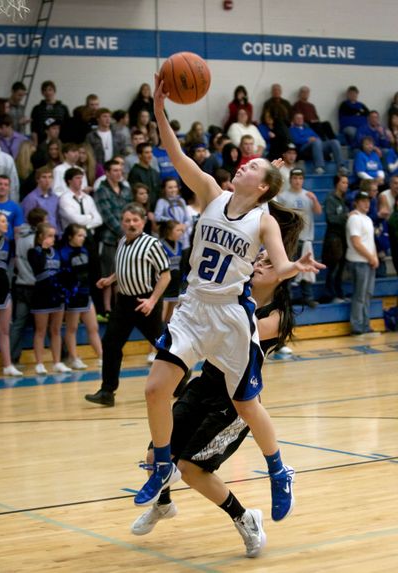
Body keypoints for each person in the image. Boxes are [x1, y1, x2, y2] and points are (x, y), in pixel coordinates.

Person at [134, 74, 323, 508]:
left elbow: (279, 264)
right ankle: (163, 463)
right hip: (194, 308)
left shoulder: (264, 221)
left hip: (232, 318)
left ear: (260, 188)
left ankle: (279, 468)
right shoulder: (210, 193)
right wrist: (161, 110)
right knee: (154, 389)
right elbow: (175, 153)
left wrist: (294, 266)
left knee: (246, 405)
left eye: (253, 166)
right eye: (246, 161)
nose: (244, 163)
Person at [131, 234, 301, 557]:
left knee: (191, 468)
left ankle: (246, 518)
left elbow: (236, 328)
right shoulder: (235, 293)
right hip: (205, 384)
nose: (259, 265)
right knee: (156, 456)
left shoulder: (277, 317)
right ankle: (163, 504)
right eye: (258, 260)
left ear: (283, 275)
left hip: (235, 402)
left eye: (269, 262)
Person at [84, 203, 170, 406]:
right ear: (122, 223)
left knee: (162, 344)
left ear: (143, 222)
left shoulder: (152, 244)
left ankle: (181, 379)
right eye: (127, 220)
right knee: (111, 343)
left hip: (145, 301)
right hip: (123, 302)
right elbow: (126, 267)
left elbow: (165, 275)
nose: (131, 224)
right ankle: (107, 391)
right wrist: (110, 279)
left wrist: (152, 300)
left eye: (135, 220)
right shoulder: (122, 241)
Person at [27, 222, 71, 374]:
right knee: (40, 331)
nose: (53, 239)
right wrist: (44, 250)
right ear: (40, 237)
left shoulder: (57, 252)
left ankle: (57, 362)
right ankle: (39, 363)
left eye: (54, 236)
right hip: (41, 295)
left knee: (56, 330)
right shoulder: (33, 252)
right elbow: (38, 267)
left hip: (57, 294)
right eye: (50, 236)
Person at [278, 168, 322, 308]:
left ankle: (307, 297)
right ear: (290, 179)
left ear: (303, 180)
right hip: (290, 239)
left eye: (300, 178)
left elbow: (318, 212)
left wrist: (314, 200)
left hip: (306, 238)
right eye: (295, 178)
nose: (297, 181)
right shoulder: (283, 196)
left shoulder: (308, 195)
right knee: (289, 269)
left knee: (307, 268)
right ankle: (287, 299)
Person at [60, 224, 102, 369]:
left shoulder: (85, 250)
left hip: (86, 293)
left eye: (84, 236)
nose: (83, 238)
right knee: (72, 328)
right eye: (79, 235)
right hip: (72, 296)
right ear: (70, 236)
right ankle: (73, 358)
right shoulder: (64, 253)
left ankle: (102, 356)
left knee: (93, 327)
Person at [94, 159, 132, 318]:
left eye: (120, 170)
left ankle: (120, 308)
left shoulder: (125, 189)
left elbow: (130, 210)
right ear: (107, 173)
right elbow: (107, 216)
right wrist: (124, 232)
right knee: (107, 272)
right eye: (115, 170)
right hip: (109, 238)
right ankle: (107, 309)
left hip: (126, 237)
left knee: (122, 273)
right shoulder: (102, 191)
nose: (119, 173)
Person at [10, 207, 48, 366]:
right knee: (48, 322)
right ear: (40, 223)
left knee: (19, 323)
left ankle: (11, 358)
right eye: (46, 221)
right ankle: (64, 355)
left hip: (20, 283)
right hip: (34, 285)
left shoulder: (19, 235)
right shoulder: (35, 240)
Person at [345, 191, 379, 336]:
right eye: (363, 201)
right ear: (356, 202)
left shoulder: (368, 219)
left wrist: (375, 257)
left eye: (368, 201)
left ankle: (365, 324)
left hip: (368, 261)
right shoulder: (354, 219)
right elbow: (356, 243)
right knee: (360, 295)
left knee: (367, 294)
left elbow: (370, 242)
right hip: (359, 262)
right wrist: (371, 257)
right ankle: (357, 325)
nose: (367, 203)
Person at [0, 212, 23, 377]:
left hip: (3, 288)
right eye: (2, 221)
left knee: (4, 330)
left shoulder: (8, 243)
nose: (6, 224)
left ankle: (7, 365)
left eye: (6, 221)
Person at [322, 174, 349, 303]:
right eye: (343, 182)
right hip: (333, 238)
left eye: (347, 183)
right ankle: (330, 295)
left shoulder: (343, 199)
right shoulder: (330, 199)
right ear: (337, 183)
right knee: (334, 267)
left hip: (343, 237)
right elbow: (330, 219)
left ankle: (339, 293)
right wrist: (346, 216)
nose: (346, 185)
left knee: (341, 268)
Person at [158, 220, 184, 324]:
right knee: (160, 319)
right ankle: (157, 339)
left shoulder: (180, 245)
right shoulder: (159, 244)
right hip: (164, 284)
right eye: (178, 230)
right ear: (169, 231)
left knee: (171, 320)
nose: (181, 232)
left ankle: (168, 339)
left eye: (181, 230)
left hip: (176, 284)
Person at [22, 166, 61, 232]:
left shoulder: (55, 198)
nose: (47, 180)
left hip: (54, 234)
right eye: (44, 177)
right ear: (37, 180)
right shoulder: (31, 198)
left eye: (50, 177)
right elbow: (27, 220)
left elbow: (57, 219)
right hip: (40, 234)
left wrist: (59, 233)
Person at [30, 80, 70, 145]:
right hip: (42, 141)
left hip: (60, 141)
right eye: (45, 90)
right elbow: (34, 129)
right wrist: (35, 143)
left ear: (54, 91)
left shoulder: (63, 108)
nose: (48, 92)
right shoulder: (37, 109)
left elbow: (68, 126)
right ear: (42, 93)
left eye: (50, 90)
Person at [128, 142, 162, 209]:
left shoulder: (154, 172)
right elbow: (135, 195)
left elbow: (158, 191)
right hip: (142, 209)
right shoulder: (134, 172)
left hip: (156, 209)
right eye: (147, 152)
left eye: (151, 152)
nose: (150, 155)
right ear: (139, 155)